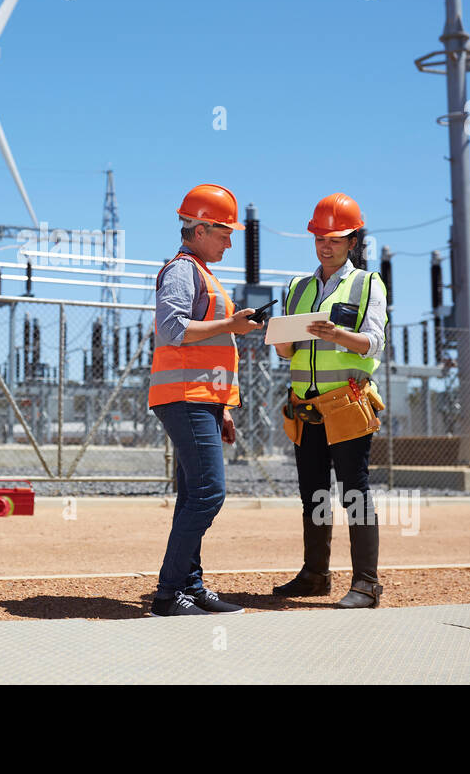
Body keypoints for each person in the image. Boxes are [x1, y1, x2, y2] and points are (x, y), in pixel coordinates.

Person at [147, 184, 263, 616]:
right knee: (209, 493)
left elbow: (206, 343)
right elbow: (172, 330)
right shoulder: (182, 271)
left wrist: (223, 408)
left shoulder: (202, 272)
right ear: (198, 229)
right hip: (184, 397)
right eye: (224, 233)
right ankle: (167, 593)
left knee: (192, 493)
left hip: (201, 400)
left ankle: (190, 585)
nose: (231, 241)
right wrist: (230, 325)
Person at [272, 192, 389, 608]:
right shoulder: (298, 288)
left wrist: (338, 335)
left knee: (354, 491)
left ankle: (366, 584)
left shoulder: (366, 283)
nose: (326, 244)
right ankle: (314, 575)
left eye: (336, 238)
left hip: (347, 404)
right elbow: (286, 354)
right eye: (320, 237)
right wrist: (282, 341)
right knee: (314, 493)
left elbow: (373, 344)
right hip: (306, 406)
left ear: (353, 242)